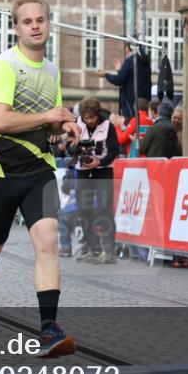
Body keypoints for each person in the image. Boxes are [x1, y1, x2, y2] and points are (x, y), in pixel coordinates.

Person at [0, 0, 80, 359]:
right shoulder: (4, 66)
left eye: (40, 20)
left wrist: (66, 127)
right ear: (16, 28)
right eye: (27, 21)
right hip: (1, 172)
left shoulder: (54, 71)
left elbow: (49, 126)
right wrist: (49, 117)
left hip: (40, 170)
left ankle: (48, 330)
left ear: (49, 24)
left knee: (47, 242)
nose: (35, 26)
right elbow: (1, 121)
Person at [67, 97, 119, 263]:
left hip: (103, 171)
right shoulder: (77, 123)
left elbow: (114, 151)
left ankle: (110, 251)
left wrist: (100, 161)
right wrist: (75, 147)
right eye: (85, 118)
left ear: (98, 115)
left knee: (104, 209)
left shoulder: (108, 126)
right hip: (83, 171)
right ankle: (92, 248)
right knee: (84, 210)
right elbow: (69, 148)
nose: (88, 121)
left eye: (92, 118)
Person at [96, 44, 151, 121]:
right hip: (143, 101)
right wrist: (120, 70)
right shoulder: (145, 61)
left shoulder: (130, 61)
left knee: (130, 124)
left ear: (128, 48)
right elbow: (130, 78)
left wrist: (105, 74)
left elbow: (119, 80)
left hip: (131, 102)